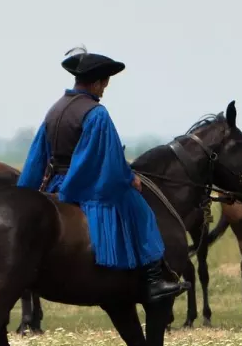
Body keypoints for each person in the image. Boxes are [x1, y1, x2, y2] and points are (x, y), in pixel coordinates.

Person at [18, 47, 190, 303]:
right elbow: (103, 159)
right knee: (140, 210)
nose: (104, 90)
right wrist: (128, 177)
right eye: (104, 84)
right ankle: (154, 280)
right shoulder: (97, 114)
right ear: (97, 82)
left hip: (55, 181)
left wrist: (26, 189)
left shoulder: (55, 110)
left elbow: (36, 157)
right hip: (81, 184)